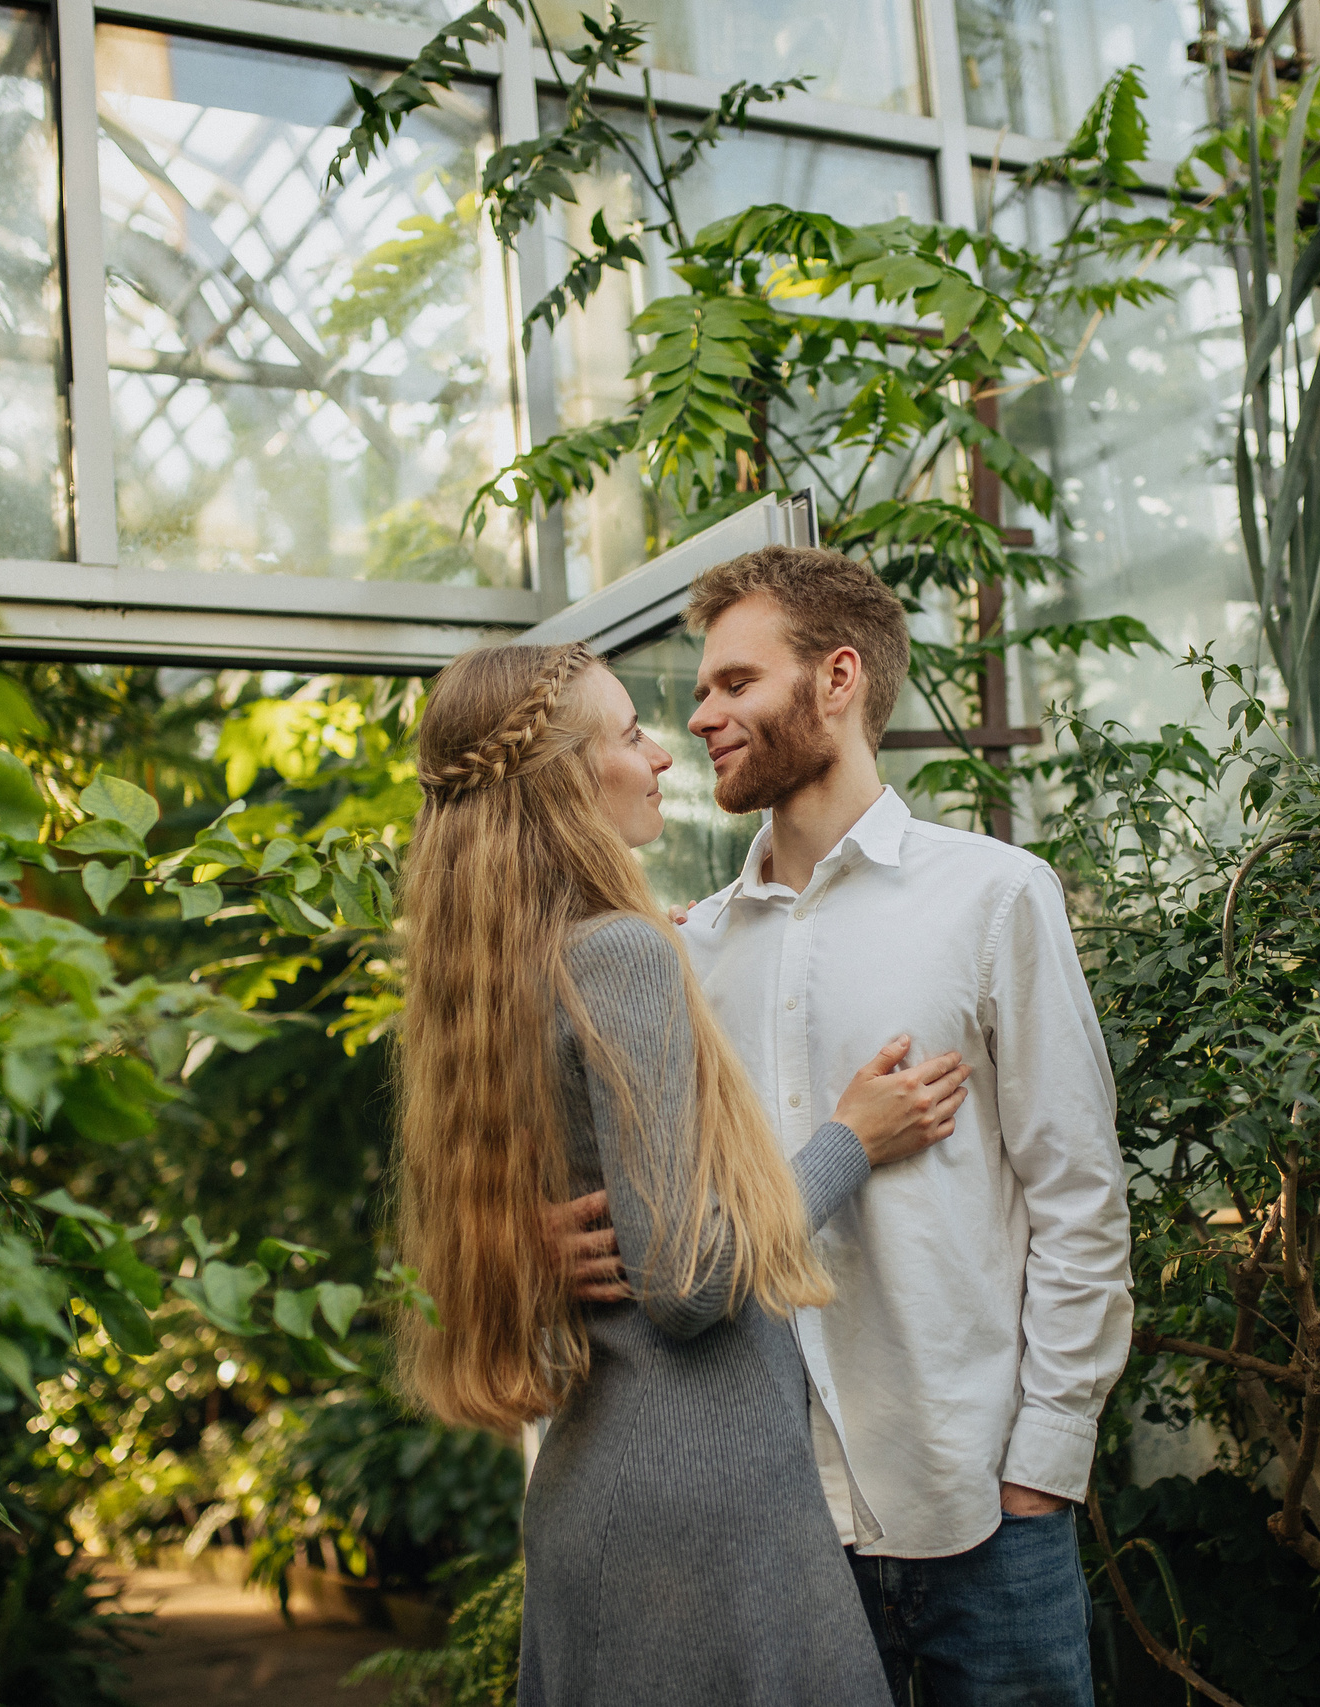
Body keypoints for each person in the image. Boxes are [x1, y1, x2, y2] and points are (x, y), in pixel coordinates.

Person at [566, 548, 1133, 1705]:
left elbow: (1079, 1199)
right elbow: (675, 1221)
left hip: (978, 1505)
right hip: (773, 1529)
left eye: (733, 683)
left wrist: (1043, 1463)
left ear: (835, 678)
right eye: (702, 689)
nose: (700, 714)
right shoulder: (688, 951)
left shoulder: (993, 896)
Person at [391, 640, 977, 1707]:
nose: (661, 755)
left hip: (597, 1496)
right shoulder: (618, 956)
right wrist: (852, 1137)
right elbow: (689, 1282)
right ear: (571, 776)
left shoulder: (494, 976)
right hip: (699, 1509)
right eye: (627, 734)